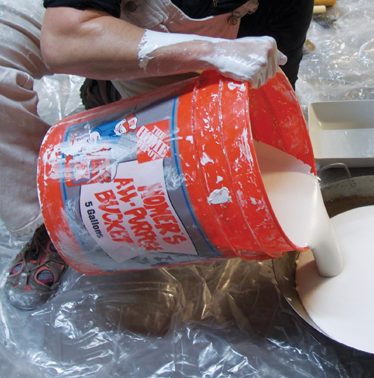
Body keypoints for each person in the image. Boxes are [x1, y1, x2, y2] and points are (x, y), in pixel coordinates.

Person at [2, 0, 314, 310]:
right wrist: (211, 51)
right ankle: (54, 224)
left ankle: (111, 93)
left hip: (180, 64)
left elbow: (267, 96)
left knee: (177, 167)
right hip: (78, 18)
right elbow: (64, 38)